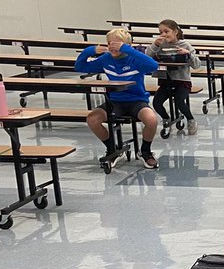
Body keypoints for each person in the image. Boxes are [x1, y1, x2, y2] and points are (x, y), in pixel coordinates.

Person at [75, 29, 161, 170]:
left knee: (151, 120)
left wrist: (128, 50)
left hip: (137, 100)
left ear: (126, 45)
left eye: (117, 44)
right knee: (92, 119)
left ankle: (145, 151)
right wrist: (90, 51)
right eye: (109, 43)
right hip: (114, 101)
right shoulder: (106, 59)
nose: (112, 47)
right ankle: (112, 149)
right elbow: (80, 67)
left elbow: (153, 66)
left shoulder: (134, 59)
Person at [146, 19, 200, 138]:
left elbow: (197, 65)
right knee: (156, 102)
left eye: (166, 31)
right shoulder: (160, 45)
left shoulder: (185, 45)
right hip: (166, 81)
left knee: (179, 101)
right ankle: (166, 119)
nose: (163, 34)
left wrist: (188, 54)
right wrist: (154, 45)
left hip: (182, 82)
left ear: (175, 32)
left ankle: (191, 120)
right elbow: (146, 58)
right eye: (160, 32)